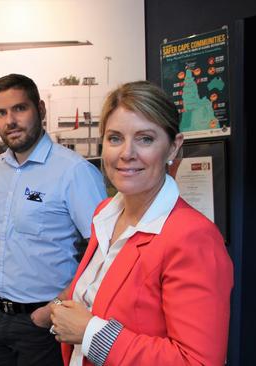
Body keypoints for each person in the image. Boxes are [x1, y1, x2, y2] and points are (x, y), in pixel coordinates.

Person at [49, 81, 233, 366]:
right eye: (114, 138)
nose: (126, 153)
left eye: (145, 139)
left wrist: (89, 333)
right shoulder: (106, 215)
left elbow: (197, 362)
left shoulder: (192, 237)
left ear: (173, 147)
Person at [0, 73, 107, 366]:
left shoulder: (74, 172)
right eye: (1, 112)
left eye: (20, 108)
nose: (10, 121)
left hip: (44, 324)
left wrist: (52, 310)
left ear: (41, 110)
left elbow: (103, 252)